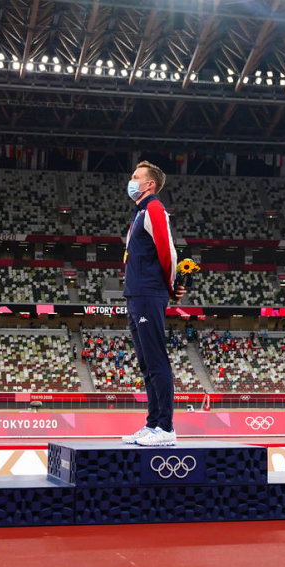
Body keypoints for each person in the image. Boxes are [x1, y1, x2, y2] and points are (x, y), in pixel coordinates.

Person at [118, 161, 186, 447]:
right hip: (137, 294)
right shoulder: (139, 213)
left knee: (156, 360)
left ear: (150, 184)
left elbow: (166, 249)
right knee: (146, 363)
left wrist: (172, 285)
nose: (131, 181)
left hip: (149, 293)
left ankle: (167, 428)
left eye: (136, 177)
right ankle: (153, 424)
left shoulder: (154, 208)